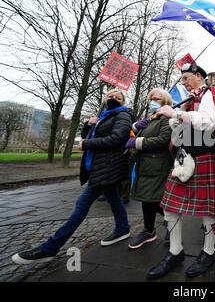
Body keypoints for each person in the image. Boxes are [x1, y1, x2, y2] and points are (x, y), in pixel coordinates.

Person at [148, 63, 215, 280]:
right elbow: (180, 130)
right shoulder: (191, 98)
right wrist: (173, 117)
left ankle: (208, 252)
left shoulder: (209, 93)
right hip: (185, 158)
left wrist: (175, 113)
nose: (183, 83)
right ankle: (175, 252)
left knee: (208, 212)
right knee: (169, 207)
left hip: (205, 158)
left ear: (198, 76)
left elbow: (207, 122)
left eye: (186, 78)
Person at [12, 90, 133, 264]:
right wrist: (88, 124)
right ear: (105, 98)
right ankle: (123, 228)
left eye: (118, 98)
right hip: (98, 167)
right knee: (113, 198)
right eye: (111, 96)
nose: (114, 98)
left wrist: (87, 144)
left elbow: (117, 139)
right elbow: (86, 136)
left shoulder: (122, 114)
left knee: (82, 204)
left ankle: (50, 248)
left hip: (107, 168)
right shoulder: (103, 116)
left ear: (123, 102)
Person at [125, 88, 173, 249]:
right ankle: (152, 229)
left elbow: (164, 139)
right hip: (144, 164)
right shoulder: (152, 118)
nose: (153, 100)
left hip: (158, 164)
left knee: (151, 198)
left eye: (157, 98)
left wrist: (138, 143)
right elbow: (136, 133)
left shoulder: (167, 117)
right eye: (151, 98)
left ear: (165, 101)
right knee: (148, 198)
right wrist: (136, 127)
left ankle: (167, 223)